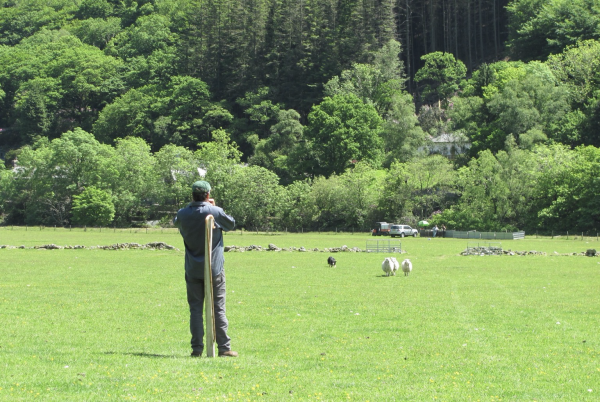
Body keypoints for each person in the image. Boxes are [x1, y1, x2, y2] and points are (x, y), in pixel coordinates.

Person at [174, 180, 238, 358]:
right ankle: (224, 348)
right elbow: (231, 224)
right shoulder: (214, 212)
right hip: (214, 269)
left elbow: (176, 221)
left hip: (193, 269)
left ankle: (197, 349)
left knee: (195, 309)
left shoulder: (183, 214)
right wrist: (214, 207)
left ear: (192, 195)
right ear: (208, 195)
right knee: (218, 307)